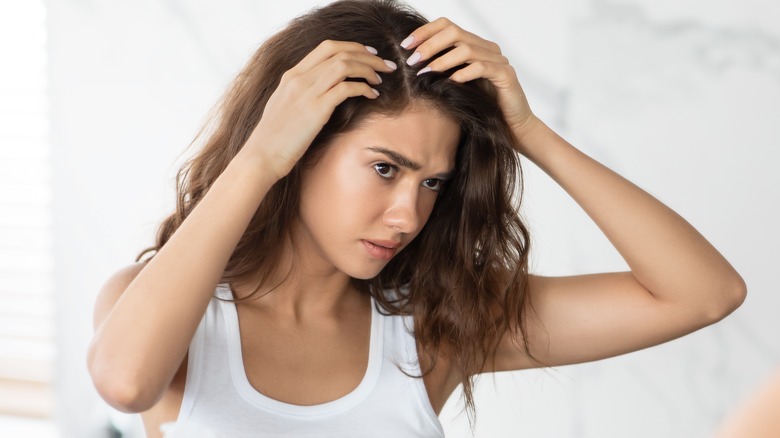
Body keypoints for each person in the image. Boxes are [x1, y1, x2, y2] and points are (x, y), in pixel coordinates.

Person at [86, 0, 747, 436]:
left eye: (434, 182)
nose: (408, 214)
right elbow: (125, 383)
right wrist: (260, 155)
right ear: (302, 146)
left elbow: (704, 295)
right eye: (384, 168)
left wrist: (528, 129)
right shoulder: (168, 313)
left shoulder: (430, 328)